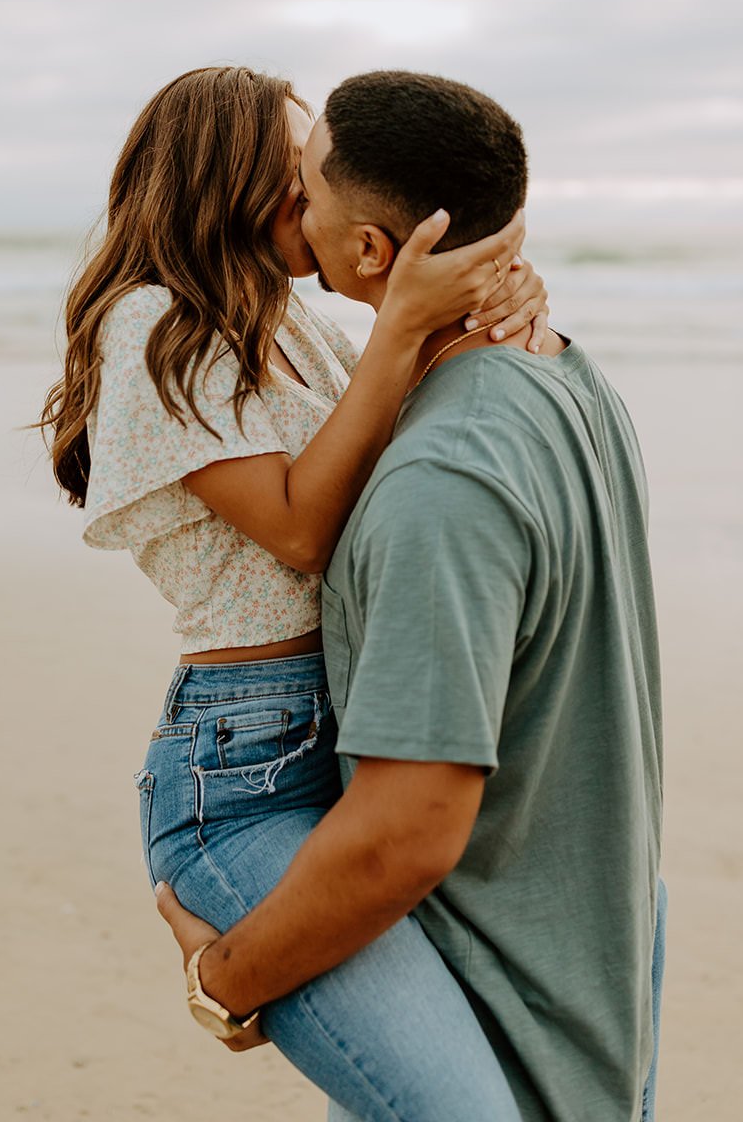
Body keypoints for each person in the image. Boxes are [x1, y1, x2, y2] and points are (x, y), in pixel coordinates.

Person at [38, 65, 551, 1120]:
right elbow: (300, 525)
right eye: (290, 175)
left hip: (366, 735)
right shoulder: (148, 325)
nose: (311, 199)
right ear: (212, 180)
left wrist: (492, 310)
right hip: (247, 772)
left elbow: (402, 448)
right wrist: (401, 329)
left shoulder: (291, 319)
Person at [156, 69, 665, 1122]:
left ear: (369, 251)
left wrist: (225, 983)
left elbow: (402, 832)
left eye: (301, 192)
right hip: (571, 927)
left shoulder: (443, 475)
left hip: (500, 958)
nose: (279, 215)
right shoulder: (569, 380)